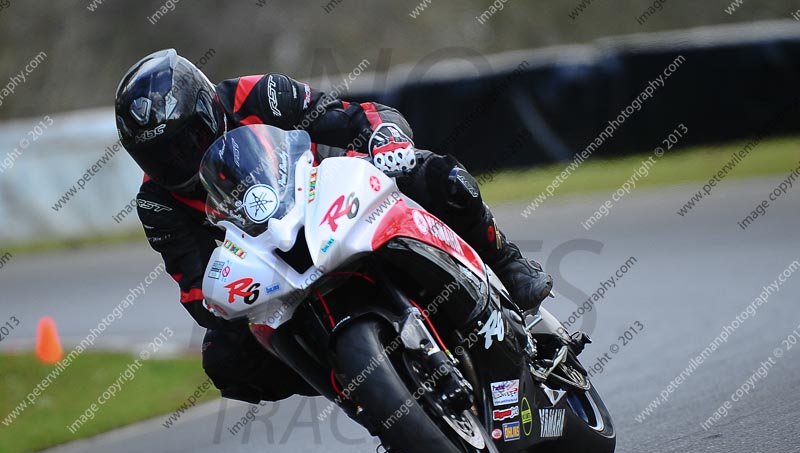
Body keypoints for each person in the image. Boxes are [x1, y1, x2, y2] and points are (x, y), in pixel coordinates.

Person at [115, 49, 552, 404]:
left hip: (338, 194)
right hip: (272, 266)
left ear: (206, 110)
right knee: (226, 360)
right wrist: (224, 302)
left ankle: (507, 262)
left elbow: (350, 116)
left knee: (438, 177)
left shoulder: (257, 94)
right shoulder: (157, 201)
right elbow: (194, 285)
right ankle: (361, 389)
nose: (179, 161)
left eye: (186, 140)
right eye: (160, 155)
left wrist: (386, 139)